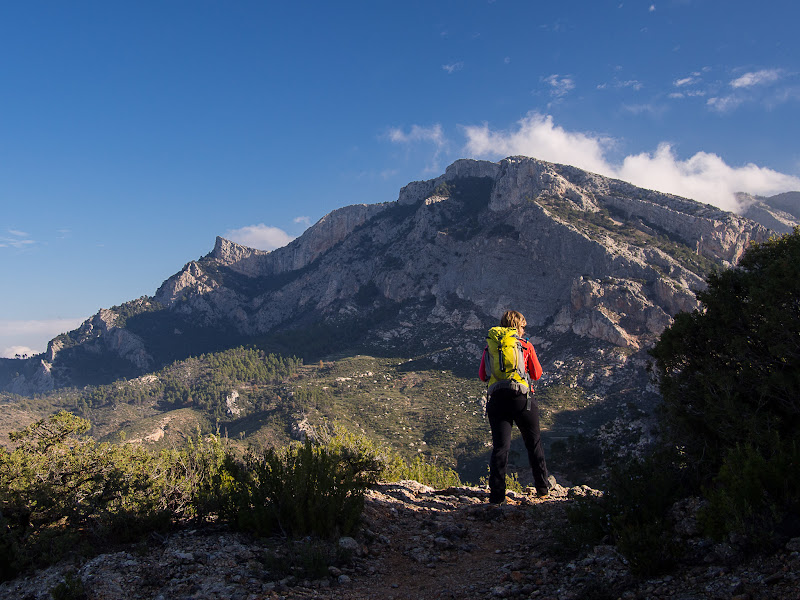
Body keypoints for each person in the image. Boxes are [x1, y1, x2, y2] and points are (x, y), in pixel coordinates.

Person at [479, 309, 549, 503]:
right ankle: (542, 489)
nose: (524, 331)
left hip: (497, 399)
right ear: (518, 327)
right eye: (523, 327)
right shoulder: (525, 345)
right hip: (521, 399)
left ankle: (496, 497)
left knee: (500, 448)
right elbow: (536, 374)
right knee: (533, 443)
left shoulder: (490, 346)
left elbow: (482, 375)